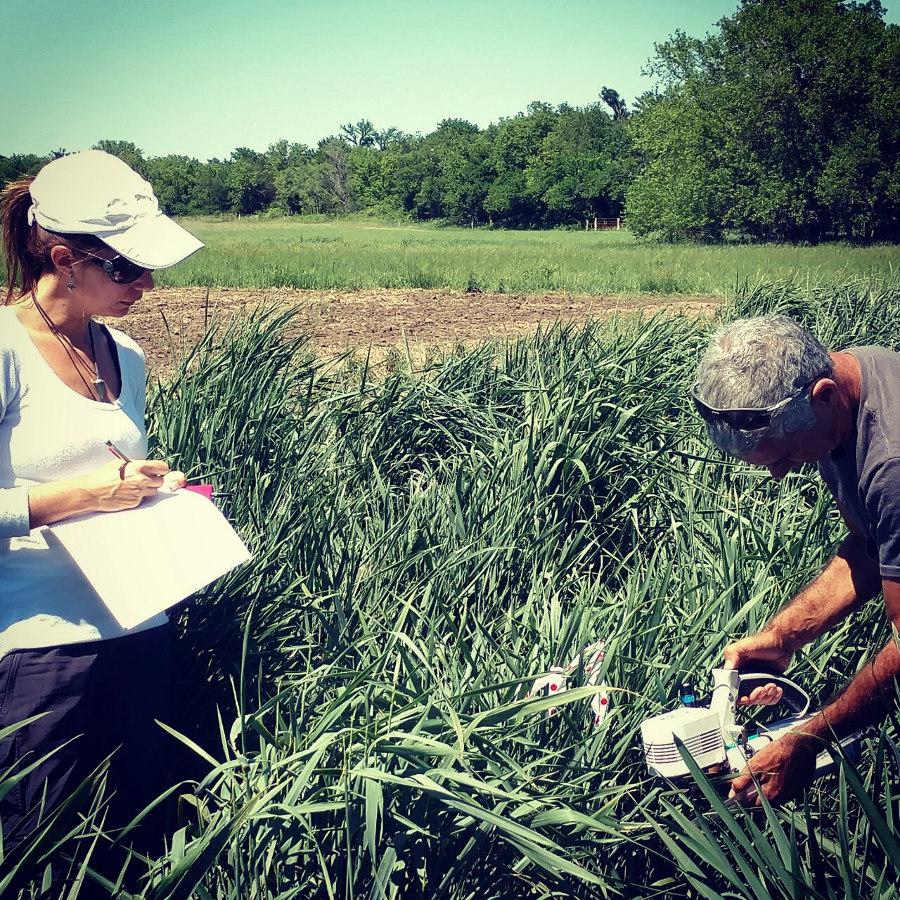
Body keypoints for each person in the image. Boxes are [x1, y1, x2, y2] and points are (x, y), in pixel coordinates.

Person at [0, 150, 204, 855]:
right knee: (38, 849)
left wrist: (153, 491)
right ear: (62, 256)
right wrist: (85, 496)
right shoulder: (4, 350)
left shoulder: (127, 354)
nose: (145, 284)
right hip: (39, 647)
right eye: (125, 267)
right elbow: (83, 492)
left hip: (139, 629)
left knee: (134, 841)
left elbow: (114, 476)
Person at [691, 314, 900, 806]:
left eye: (783, 456)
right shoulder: (849, 389)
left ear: (822, 395)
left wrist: (809, 739)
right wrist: (787, 635)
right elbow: (872, 549)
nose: (780, 475)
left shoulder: (890, 465)